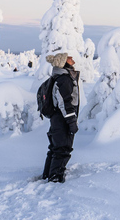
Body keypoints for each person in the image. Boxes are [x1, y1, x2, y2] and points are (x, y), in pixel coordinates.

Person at [41, 51, 80, 183]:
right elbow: (65, 103)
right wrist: (71, 122)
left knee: (55, 148)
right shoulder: (64, 79)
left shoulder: (59, 77)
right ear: (63, 63)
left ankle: (48, 174)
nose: (72, 58)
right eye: (68, 57)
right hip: (62, 119)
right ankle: (55, 178)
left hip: (57, 119)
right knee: (62, 149)